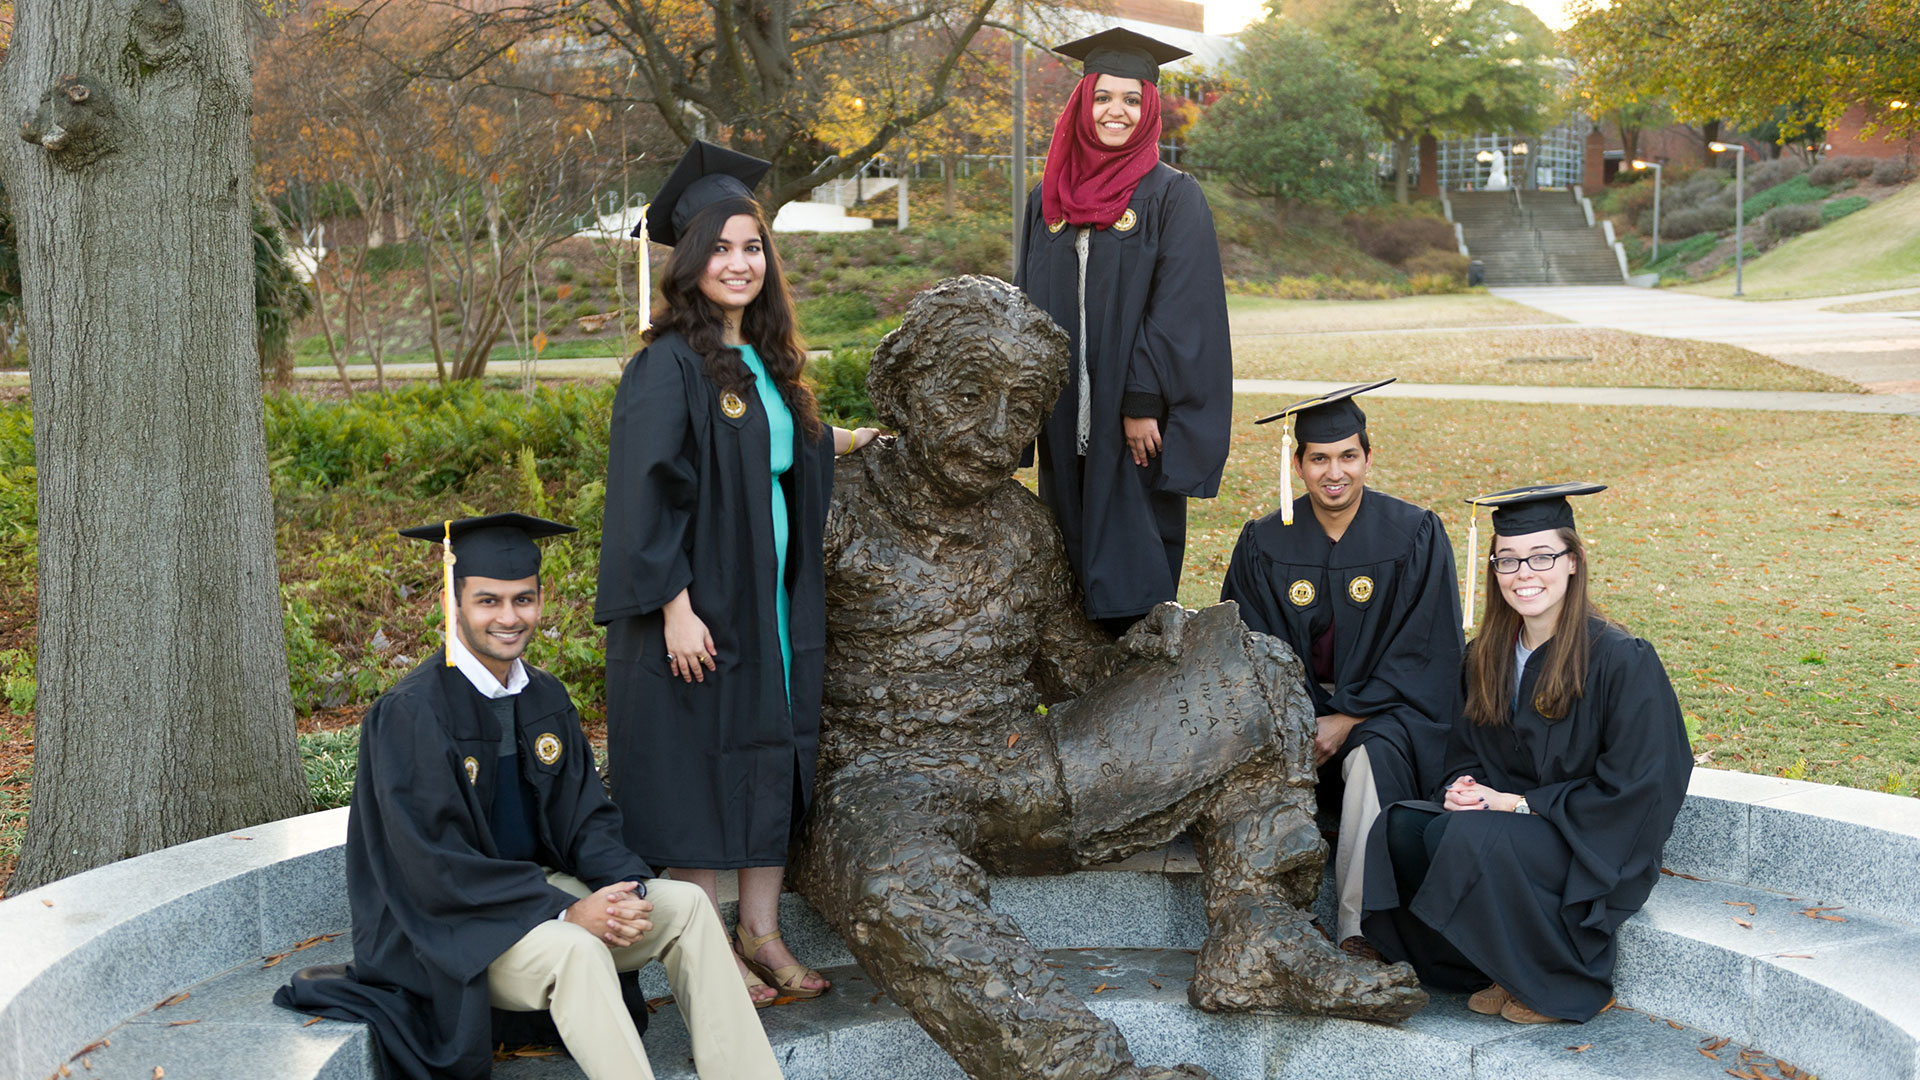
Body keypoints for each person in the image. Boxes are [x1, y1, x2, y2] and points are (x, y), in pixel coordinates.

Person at [794, 276, 1423, 1080]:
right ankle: (1088, 1070)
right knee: (889, 881)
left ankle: (1257, 932)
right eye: (968, 394)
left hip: (1023, 770)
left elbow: (1071, 665)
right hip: (877, 788)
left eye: (1021, 410)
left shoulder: (1022, 526)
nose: (995, 435)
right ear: (899, 387)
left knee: (1250, 665)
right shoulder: (830, 510)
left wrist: (1139, 651)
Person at [274, 513, 781, 1080]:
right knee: (577, 948)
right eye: (488, 601)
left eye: (523, 599)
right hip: (449, 929)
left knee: (685, 906)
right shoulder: (413, 714)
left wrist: (625, 887)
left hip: (532, 899)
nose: (508, 617)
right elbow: (435, 867)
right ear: (454, 601)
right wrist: (565, 910)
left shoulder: (544, 696)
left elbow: (587, 820)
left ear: (543, 600)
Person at [596, 141, 877, 1007]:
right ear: (688, 262)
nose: (739, 262)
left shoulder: (766, 360)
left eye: (751, 246)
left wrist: (853, 443)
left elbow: (783, 453)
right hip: (702, 605)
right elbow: (647, 493)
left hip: (773, 606)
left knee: (768, 757)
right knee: (700, 763)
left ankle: (762, 932)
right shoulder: (664, 367)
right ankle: (703, 946)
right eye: (719, 248)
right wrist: (673, 607)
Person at [1360, 483, 1692, 1024]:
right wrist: (1463, 788)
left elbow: (1644, 782)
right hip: (1512, 828)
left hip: (1589, 838)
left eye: (1542, 556)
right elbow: (1463, 752)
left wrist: (1516, 804)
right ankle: (1486, 966)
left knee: (1462, 834)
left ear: (1573, 562)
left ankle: (1558, 980)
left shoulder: (1620, 659)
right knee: (1402, 827)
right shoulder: (1486, 656)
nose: (1523, 574)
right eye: (1508, 560)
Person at [1219, 379, 1462, 960]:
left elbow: (1427, 648)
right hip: (1291, 709)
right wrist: (1300, 719)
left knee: (1374, 758)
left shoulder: (1415, 535)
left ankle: (1360, 930)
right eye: (1320, 458)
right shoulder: (1262, 541)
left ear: (1369, 459)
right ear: (1297, 464)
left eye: (1348, 456)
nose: (1336, 472)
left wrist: (1348, 717)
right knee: (1254, 751)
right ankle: (1276, 924)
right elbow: (1244, 644)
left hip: (1386, 712)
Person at [1016, 28, 1233, 634]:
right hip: (1064, 415)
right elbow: (1025, 306)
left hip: (1132, 423)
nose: (1117, 111)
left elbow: (1180, 308)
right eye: (1103, 98)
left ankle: (1138, 693)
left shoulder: (1171, 195)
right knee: (1064, 567)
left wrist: (1142, 400)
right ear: (1082, 105)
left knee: (1134, 577)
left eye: (1132, 100)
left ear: (1150, 110)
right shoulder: (1046, 199)